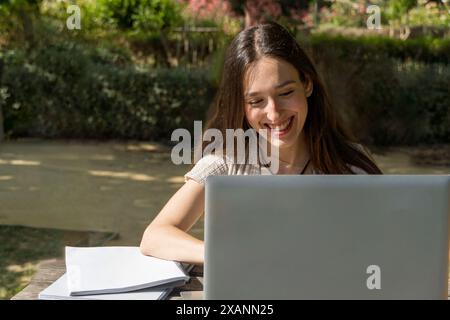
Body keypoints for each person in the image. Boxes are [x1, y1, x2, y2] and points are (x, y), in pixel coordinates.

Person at [140, 22, 382, 265]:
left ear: (307, 84)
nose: (274, 113)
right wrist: (229, 256)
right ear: (241, 106)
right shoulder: (225, 165)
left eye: (286, 93)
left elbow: (384, 244)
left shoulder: (350, 166)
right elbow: (155, 236)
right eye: (256, 101)